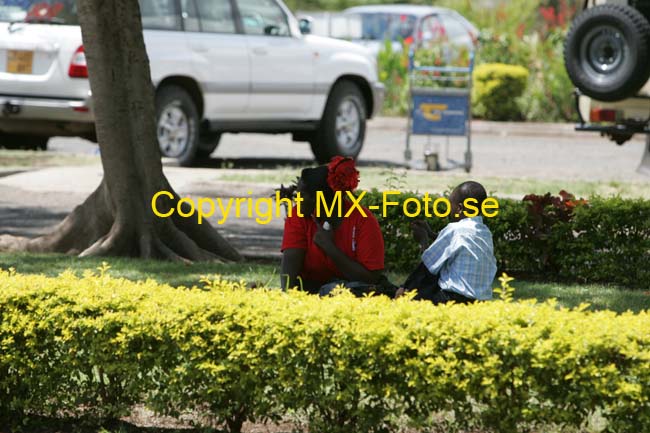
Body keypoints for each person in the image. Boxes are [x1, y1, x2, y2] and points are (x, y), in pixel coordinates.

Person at [279, 157, 394, 297]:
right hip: (310, 294)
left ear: (319, 199)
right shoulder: (299, 215)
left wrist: (330, 248)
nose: (297, 199)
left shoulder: (363, 220)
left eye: (302, 195)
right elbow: (288, 279)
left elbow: (371, 277)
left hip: (354, 294)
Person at [396, 181, 497, 304]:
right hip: (481, 302)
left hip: (452, 299)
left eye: (451, 206)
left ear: (459, 208)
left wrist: (423, 240)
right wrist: (432, 234)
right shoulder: (485, 233)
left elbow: (429, 265)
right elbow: (460, 245)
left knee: (418, 290)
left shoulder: (454, 229)